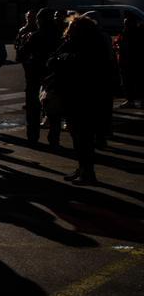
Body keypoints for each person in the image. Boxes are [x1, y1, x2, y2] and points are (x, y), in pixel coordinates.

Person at [48, 15, 116, 184]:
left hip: (84, 97)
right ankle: (83, 168)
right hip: (78, 96)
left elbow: (62, 61)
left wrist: (62, 59)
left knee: (83, 137)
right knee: (78, 137)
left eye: (71, 27)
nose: (68, 30)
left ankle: (88, 172)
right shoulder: (76, 42)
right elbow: (52, 60)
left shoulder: (91, 44)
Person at [19, 8, 57, 143]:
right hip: (53, 75)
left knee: (33, 107)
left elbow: (21, 53)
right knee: (53, 108)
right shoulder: (59, 35)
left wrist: (24, 42)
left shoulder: (35, 36)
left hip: (36, 73)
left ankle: (33, 136)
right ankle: (54, 137)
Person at [116, 15, 143, 108]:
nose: (125, 25)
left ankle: (130, 100)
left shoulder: (129, 33)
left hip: (129, 61)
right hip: (133, 61)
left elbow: (126, 48)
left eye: (126, 23)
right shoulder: (136, 32)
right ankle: (135, 100)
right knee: (136, 82)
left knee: (129, 82)